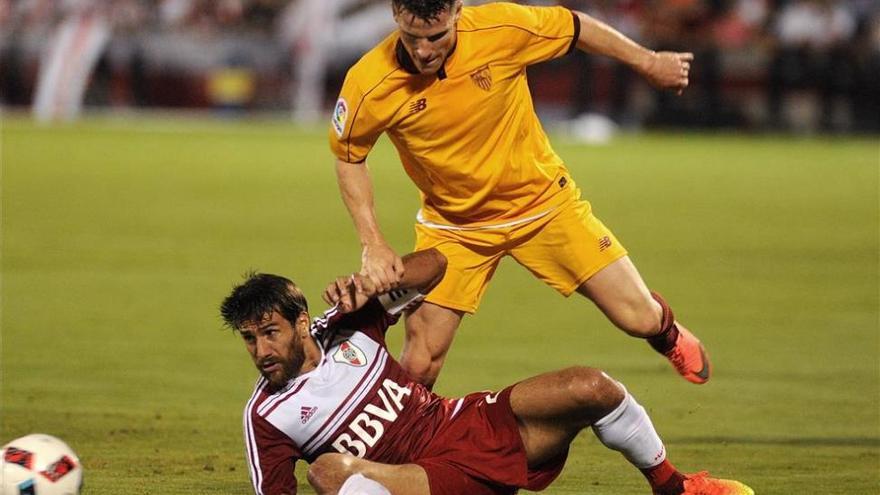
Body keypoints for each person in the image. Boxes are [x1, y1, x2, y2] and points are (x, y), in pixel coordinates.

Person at [328, 0, 709, 390]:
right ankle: (400, 443)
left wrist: (647, 61)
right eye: (413, 37)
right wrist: (372, 242)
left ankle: (668, 335)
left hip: (544, 207)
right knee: (421, 362)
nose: (424, 50)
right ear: (395, 15)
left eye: (436, 36)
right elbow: (349, 156)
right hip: (455, 229)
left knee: (639, 319)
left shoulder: (501, 29)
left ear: (458, 10)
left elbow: (576, 27)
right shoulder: (369, 82)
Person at [220, 249, 754, 495]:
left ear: (301, 322)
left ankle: (674, 487)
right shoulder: (266, 415)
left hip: (463, 426)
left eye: (270, 333)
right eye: (249, 339)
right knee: (328, 472)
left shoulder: (350, 322)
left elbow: (436, 267)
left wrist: (379, 280)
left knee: (592, 387)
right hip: (414, 481)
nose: (261, 350)